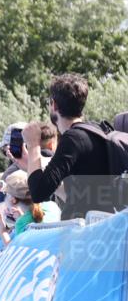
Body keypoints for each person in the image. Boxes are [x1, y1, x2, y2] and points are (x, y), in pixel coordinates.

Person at [24, 73, 126, 216]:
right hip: (107, 227)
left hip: (86, 233)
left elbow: (38, 192)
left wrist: (33, 144)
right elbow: (78, 195)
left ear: (54, 105)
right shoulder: (98, 130)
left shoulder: (72, 139)